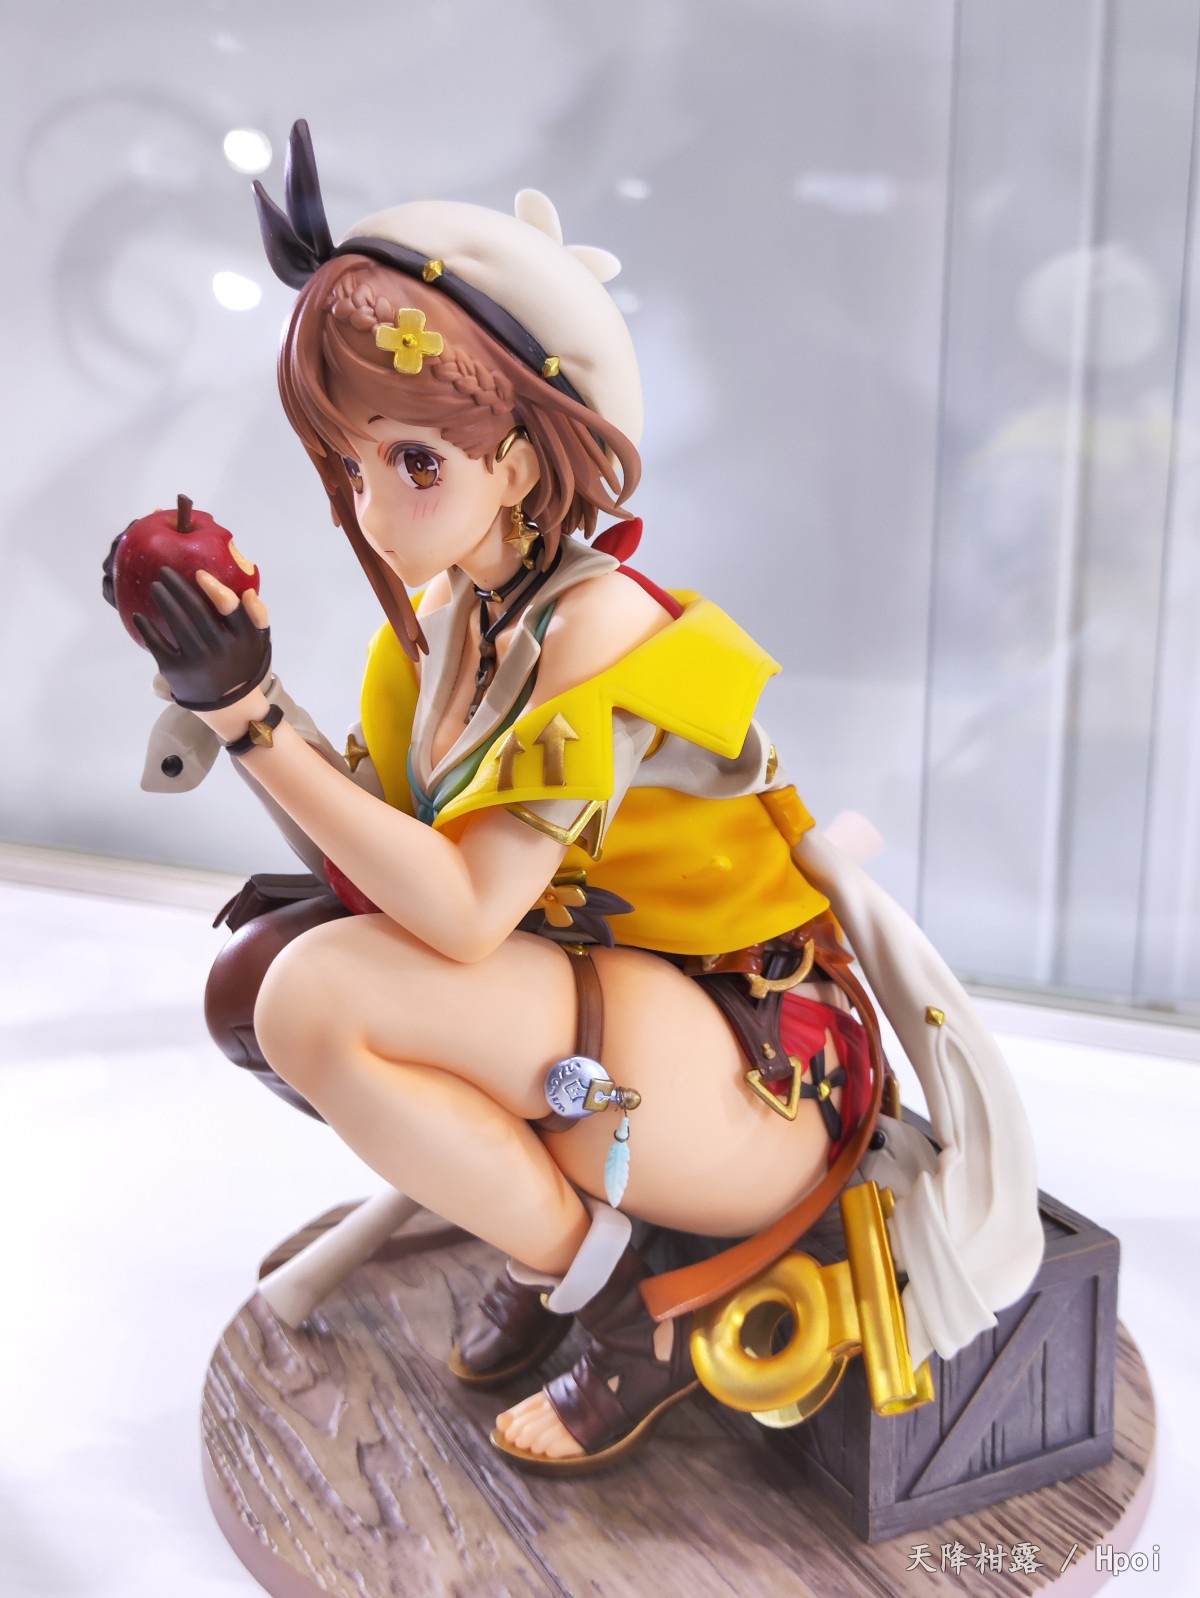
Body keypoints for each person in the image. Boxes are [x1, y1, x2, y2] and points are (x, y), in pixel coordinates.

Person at [109, 122, 1044, 1474]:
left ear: (522, 459)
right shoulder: (444, 629)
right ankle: (560, 1242)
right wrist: (234, 694)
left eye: (415, 463)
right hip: (617, 1013)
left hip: (758, 1058)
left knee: (315, 996)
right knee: (257, 985)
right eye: (353, 466)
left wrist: (253, 720)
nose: (373, 508)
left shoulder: (595, 631)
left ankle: (619, 1309)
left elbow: (464, 912)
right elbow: (375, 861)